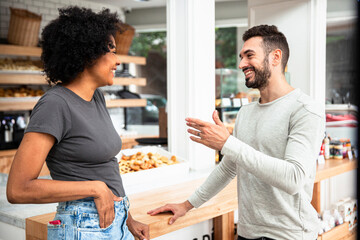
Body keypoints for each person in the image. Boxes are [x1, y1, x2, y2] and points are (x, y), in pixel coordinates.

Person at [148, 25, 324, 240]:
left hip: (290, 235)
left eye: (249, 56)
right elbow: (229, 167)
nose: (241, 64)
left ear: (275, 57)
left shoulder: (304, 109)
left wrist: (227, 143)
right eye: (241, 57)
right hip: (247, 233)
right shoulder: (246, 112)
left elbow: (293, 179)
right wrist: (187, 205)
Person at [6, 6, 149, 240]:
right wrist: (95, 188)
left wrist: (128, 220)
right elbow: (18, 189)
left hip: (112, 221)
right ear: (87, 54)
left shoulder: (96, 97)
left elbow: (105, 168)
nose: (117, 60)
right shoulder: (55, 104)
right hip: (83, 226)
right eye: (110, 51)